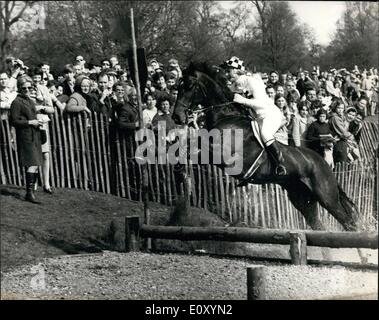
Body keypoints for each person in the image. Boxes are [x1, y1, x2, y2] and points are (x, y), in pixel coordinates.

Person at [223, 56, 287, 175]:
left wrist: (243, 100)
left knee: (265, 133)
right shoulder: (234, 85)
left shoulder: (251, 81)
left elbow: (261, 104)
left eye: (228, 70)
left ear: (237, 70)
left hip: (270, 114)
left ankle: (280, 163)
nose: (226, 73)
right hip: (257, 118)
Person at [9, 76, 43, 203]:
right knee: (32, 163)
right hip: (25, 136)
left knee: (34, 164)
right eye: (24, 88)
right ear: (19, 89)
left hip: (34, 135)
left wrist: (37, 121)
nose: (27, 90)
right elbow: (14, 120)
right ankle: (29, 193)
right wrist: (30, 122)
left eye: (29, 87)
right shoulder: (16, 102)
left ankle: (31, 192)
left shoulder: (29, 100)